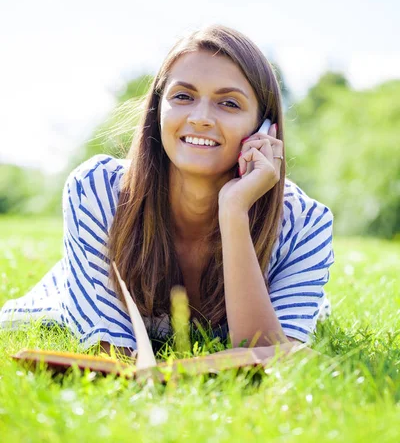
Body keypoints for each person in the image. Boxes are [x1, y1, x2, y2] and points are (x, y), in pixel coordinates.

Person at [0, 25, 334, 360]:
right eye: (183, 97)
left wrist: (234, 210)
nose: (201, 118)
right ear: (158, 110)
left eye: (229, 103)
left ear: (266, 129)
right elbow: (113, 352)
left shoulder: (305, 222)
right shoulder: (97, 190)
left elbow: (266, 356)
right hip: (69, 297)